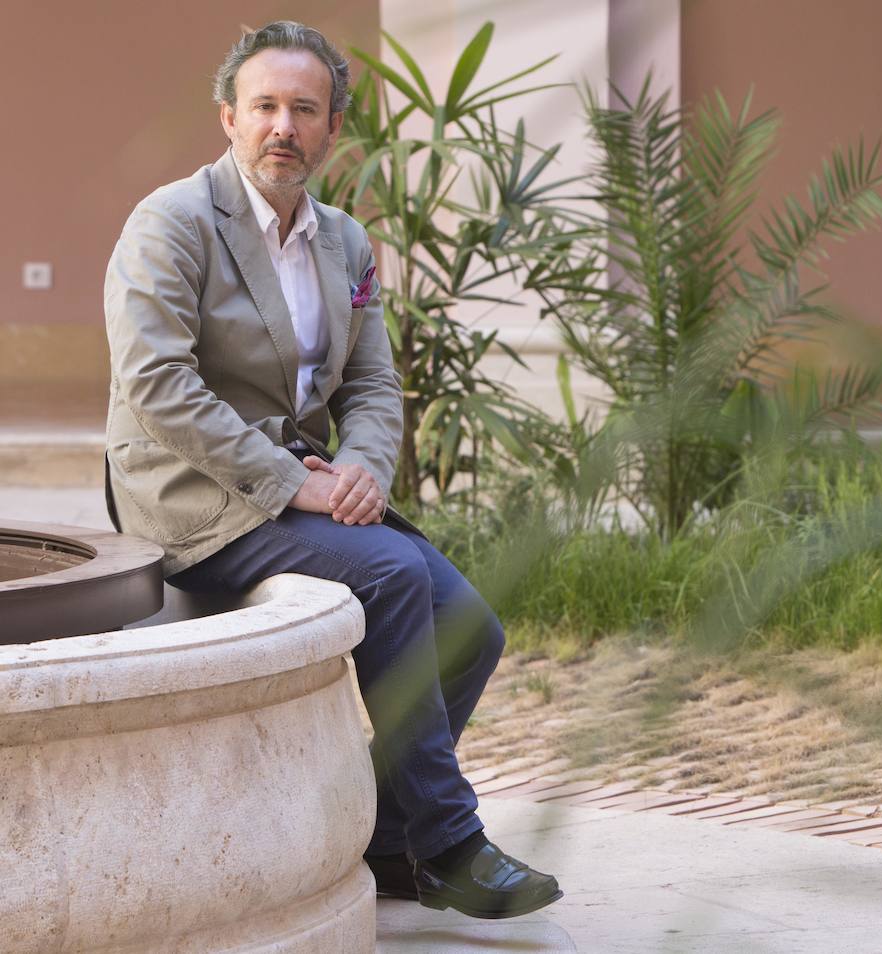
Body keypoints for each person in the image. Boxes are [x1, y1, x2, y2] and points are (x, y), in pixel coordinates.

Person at [103, 20, 561, 920]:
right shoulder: (173, 222)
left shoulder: (344, 242)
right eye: (265, 106)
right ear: (228, 116)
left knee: (473, 622)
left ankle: (391, 845)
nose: (283, 125)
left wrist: (359, 469)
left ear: (331, 128)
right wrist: (293, 482)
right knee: (393, 576)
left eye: (303, 110)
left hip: (301, 488)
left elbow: (375, 384)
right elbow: (155, 384)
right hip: (191, 497)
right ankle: (453, 846)